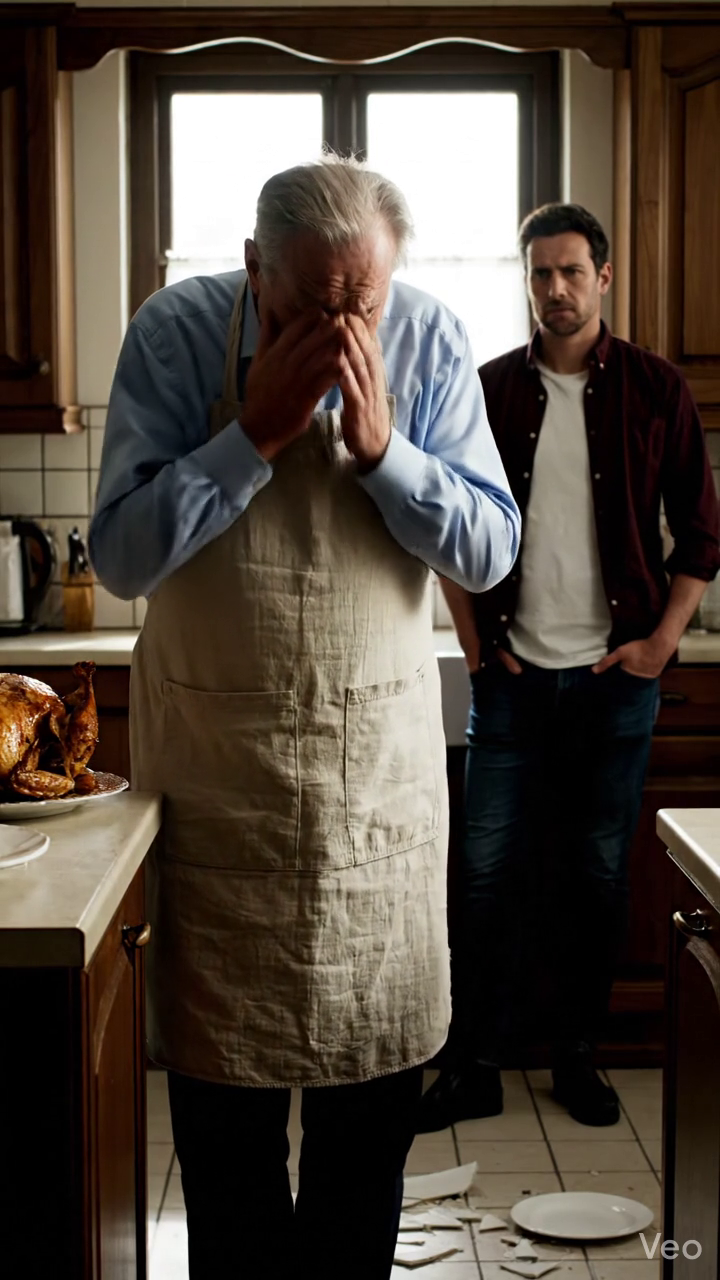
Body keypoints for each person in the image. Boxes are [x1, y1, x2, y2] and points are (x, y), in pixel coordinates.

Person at [89, 157, 520, 1279]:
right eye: (304, 312)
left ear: (393, 279)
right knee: (228, 1165)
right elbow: (122, 557)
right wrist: (250, 439)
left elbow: (489, 548)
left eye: (359, 308)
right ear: (252, 268)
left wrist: (386, 457)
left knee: (360, 1168)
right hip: (216, 802)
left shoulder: (429, 338)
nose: (336, 337)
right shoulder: (175, 336)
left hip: (372, 804)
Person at [417, 202, 720, 1135]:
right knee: (482, 876)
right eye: (541, 273)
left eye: (572, 272)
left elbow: (702, 534)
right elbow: (445, 523)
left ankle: (577, 1056)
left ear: (604, 277)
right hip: (510, 681)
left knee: (596, 876)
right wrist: (473, 639)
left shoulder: (656, 389)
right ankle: (473, 1064)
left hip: (614, 682)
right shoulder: (487, 391)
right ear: (527, 280)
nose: (555, 288)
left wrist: (660, 644)